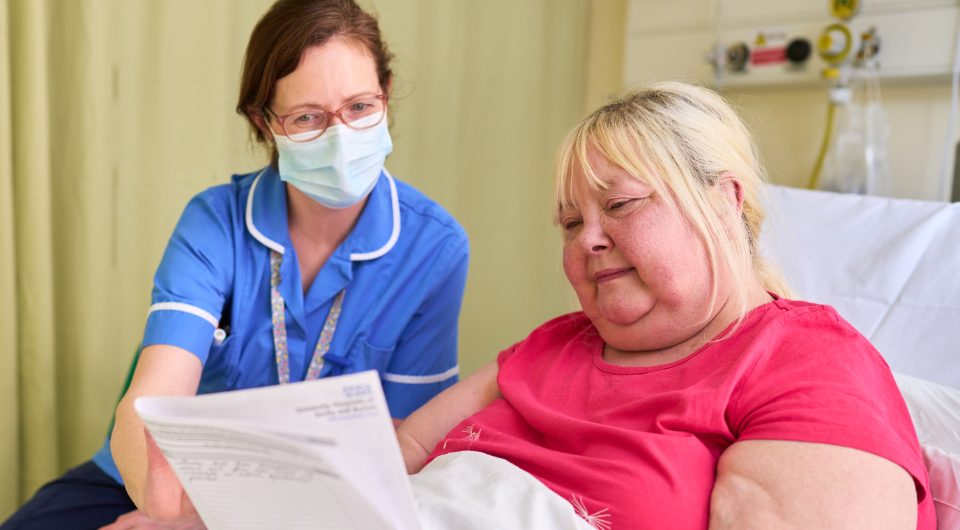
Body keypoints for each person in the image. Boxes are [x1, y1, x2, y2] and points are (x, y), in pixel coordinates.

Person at [2, 1, 468, 528]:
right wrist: (166, 512)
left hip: (320, 502)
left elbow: (405, 435)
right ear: (264, 122)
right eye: (307, 118)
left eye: (360, 107)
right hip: (163, 480)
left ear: (386, 92)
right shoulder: (214, 222)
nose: (340, 138)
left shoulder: (435, 247)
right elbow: (149, 401)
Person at [397, 82, 935, 529]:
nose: (588, 239)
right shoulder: (550, 344)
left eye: (620, 205)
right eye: (570, 223)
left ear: (725, 201)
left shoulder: (805, 364)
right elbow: (391, 462)